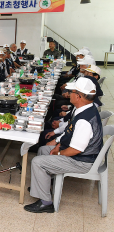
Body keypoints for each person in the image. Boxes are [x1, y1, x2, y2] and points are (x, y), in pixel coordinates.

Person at [24, 78, 102, 213]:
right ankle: (44, 185)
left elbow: (75, 150)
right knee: (43, 149)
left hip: (83, 161)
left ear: (78, 96)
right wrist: (58, 145)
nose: (68, 93)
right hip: (79, 154)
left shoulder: (85, 120)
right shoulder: (82, 109)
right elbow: (69, 133)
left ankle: (46, 203)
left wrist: (58, 153)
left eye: (71, 91)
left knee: (37, 162)